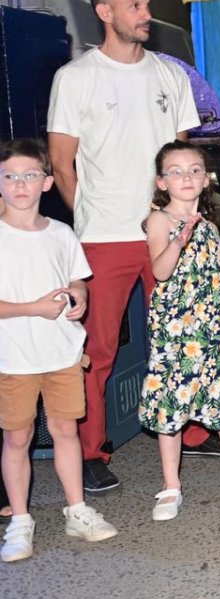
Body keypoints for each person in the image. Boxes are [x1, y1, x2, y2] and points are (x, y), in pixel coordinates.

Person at [46, 0, 204, 493]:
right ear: (105, 13)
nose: (146, 13)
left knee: (181, 334)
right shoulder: (76, 77)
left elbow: (180, 159)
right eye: (134, 5)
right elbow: (62, 164)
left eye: (146, 4)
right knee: (97, 348)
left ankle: (194, 431)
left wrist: (176, 219)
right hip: (104, 237)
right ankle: (90, 451)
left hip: (164, 231)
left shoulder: (169, 74)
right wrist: (92, 218)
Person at [0, 139, 118, 563]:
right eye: (10, 176)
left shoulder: (61, 233)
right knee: (17, 437)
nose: (20, 184)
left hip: (62, 353)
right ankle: (19, 519)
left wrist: (79, 296)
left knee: (66, 430)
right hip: (14, 357)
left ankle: (77, 509)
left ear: (47, 182)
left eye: (30, 175)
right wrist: (31, 308)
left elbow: (77, 279)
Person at [139, 141, 220, 521]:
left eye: (195, 170)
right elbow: (161, 271)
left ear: (205, 178)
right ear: (161, 182)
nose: (187, 177)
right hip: (176, 331)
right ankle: (170, 486)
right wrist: (178, 242)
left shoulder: (209, 227)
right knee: (171, 404)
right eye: (176, 171)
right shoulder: (159, 221)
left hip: (213, 327)